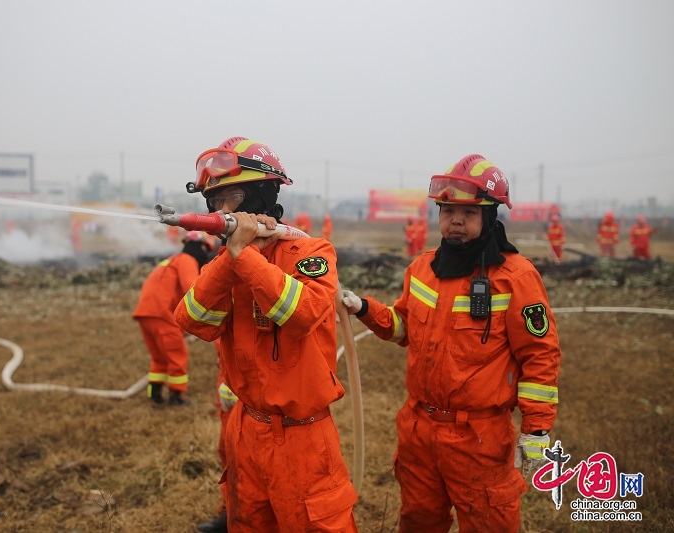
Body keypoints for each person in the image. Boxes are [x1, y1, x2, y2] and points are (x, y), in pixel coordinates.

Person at [341, 154, 561, 532]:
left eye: (468, 213)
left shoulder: (516, 278)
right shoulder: (423, 268)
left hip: (479, 439)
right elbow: (403, 327)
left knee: (489, 524)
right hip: (419, 431)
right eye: (447, 211)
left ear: (490, 217)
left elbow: (539, 354)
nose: (455, 221)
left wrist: (536, 429)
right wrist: (364, 308)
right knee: (419, 521)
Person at [174, 136, 358, 532]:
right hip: (245, 431)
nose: (222, 211)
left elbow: (303, 314)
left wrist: (246, 256)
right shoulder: (225, 263)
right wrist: (234, 257)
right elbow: (192, 320)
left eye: (233, 197)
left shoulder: (311, 253)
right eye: (214, 202)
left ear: (262, 193)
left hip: (302, 437)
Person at [132, 230, 216, 406]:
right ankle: (177, 396)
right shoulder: (187, 260)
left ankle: (154, 394)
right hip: (161, 313)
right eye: (205, 249)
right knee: (177, 354)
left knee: (159, 356)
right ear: (199, 246)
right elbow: (192, 289)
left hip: (146, 313)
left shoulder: (173, 260)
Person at [196, 340, 237, 533]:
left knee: (242, 459)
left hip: (248, 383)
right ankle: (231, 513)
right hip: (230, 376)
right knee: (230, 455)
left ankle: (235, 515)